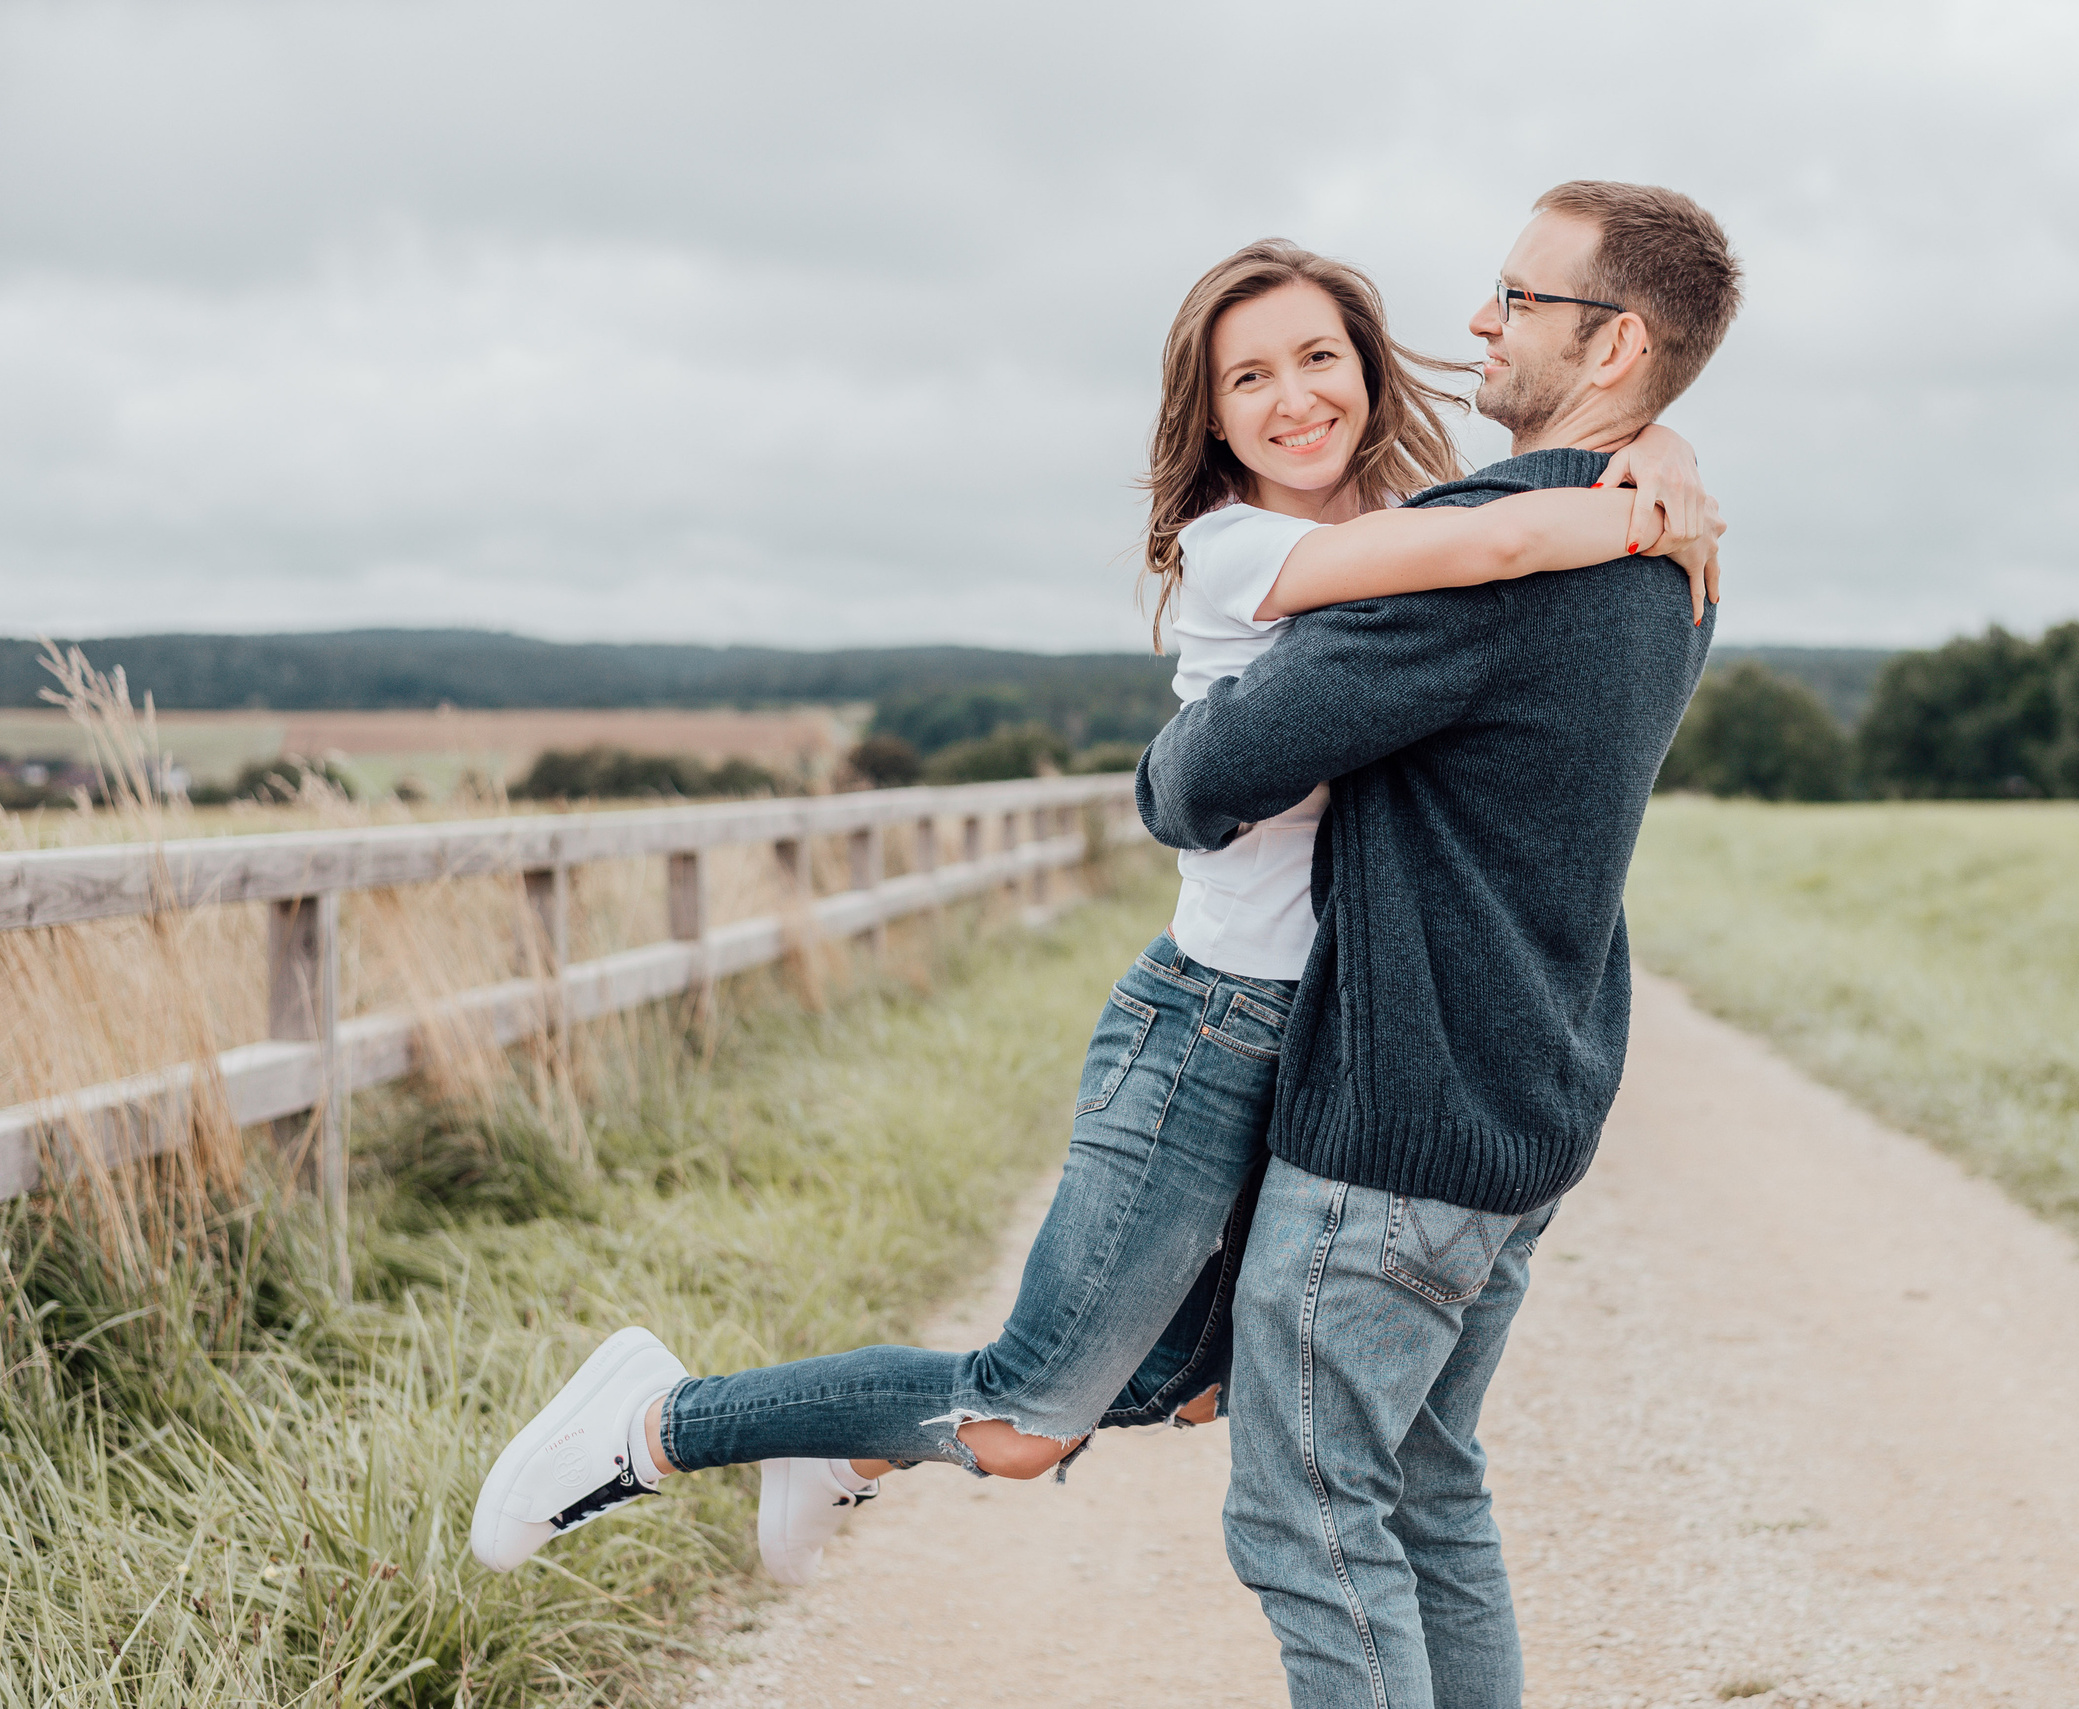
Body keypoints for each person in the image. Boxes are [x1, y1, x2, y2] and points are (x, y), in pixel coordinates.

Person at [468, 235, 1721, 1587]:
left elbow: (1495, 532)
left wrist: (1664, 450)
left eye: (1318, 357)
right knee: (1023, 1417)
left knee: (1196, 1383)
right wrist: (1654, 498)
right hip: (1208, 1029)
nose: (1293, 396)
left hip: (1331, 1048)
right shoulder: (1245, 542)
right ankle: (662, 1420)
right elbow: (1508, 534)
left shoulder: (1396, 534)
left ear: (1368, 366)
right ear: (1210, 411)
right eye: (1250, 376)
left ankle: (849, 1438)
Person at [1135, 180, 1742, 1708]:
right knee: (1423, 1492)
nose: (1476, 321)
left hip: (1397, 1132)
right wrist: (1661, 452)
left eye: (1518, 298)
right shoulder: (1671, 550)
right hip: (1526, 1110)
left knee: (1308, 1517)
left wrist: (1162, 756)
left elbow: (1201, 785)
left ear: (1614, 346)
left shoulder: (1490, 560)